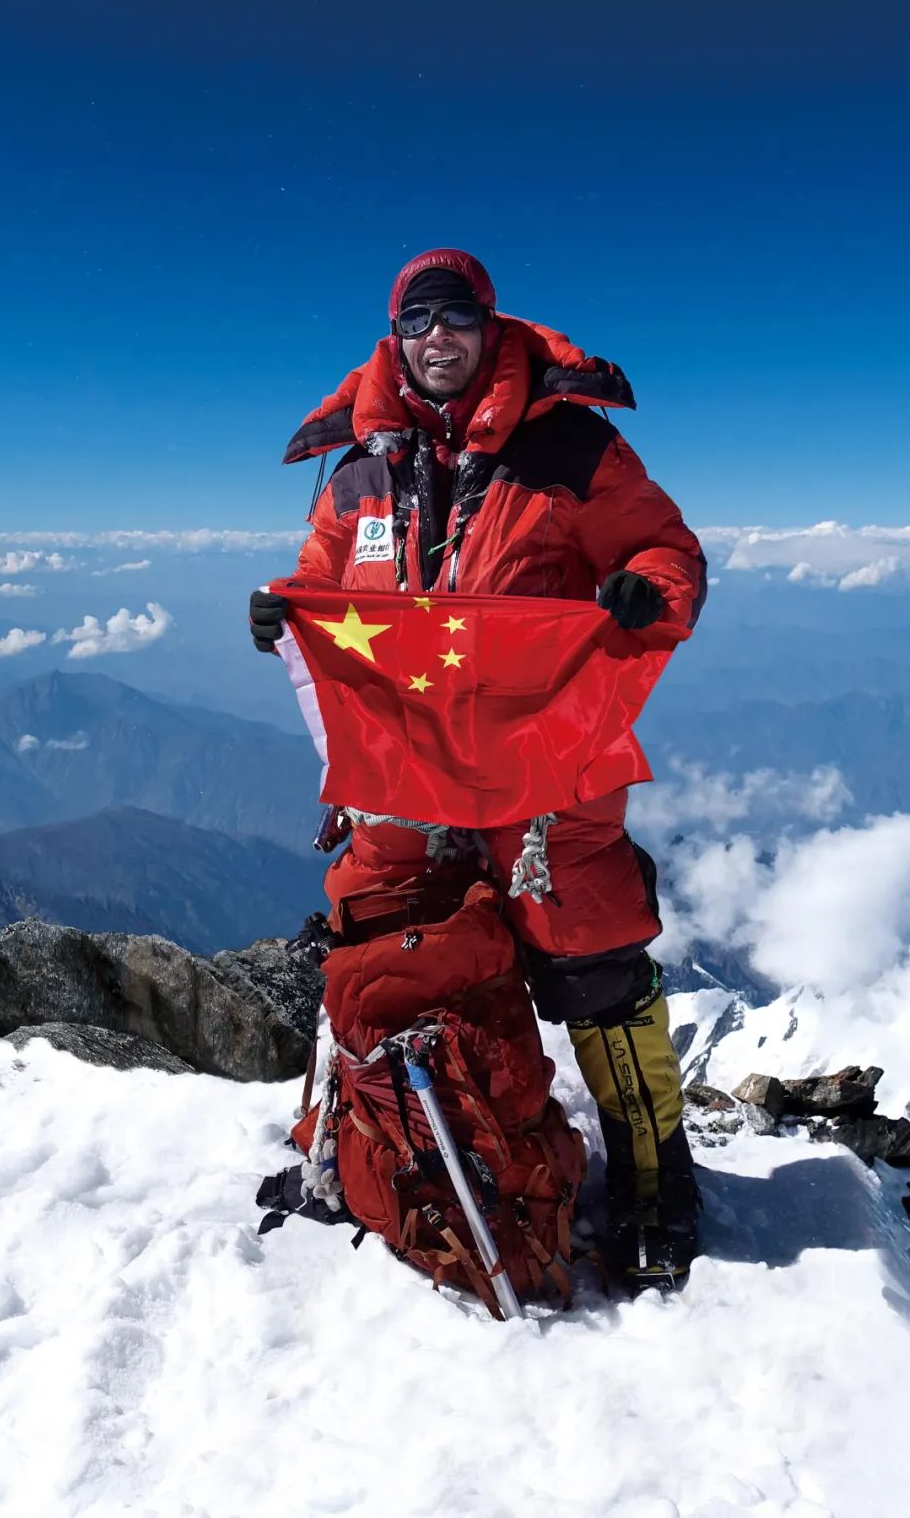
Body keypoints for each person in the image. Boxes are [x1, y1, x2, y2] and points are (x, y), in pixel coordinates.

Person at [251, 248, 707, 1288]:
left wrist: (646, 592)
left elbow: (668, 551)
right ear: (397, 337)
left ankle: (655, 1175)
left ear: (490, 325)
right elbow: (327, 583)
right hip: (408, 763)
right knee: (372, 931)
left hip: (544, 757)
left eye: (458, 316)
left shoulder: (573, 449)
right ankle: (351, 1141)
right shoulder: (361, 470)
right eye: (420, 320)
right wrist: (284, 613)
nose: (439, 335)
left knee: (590, 947)